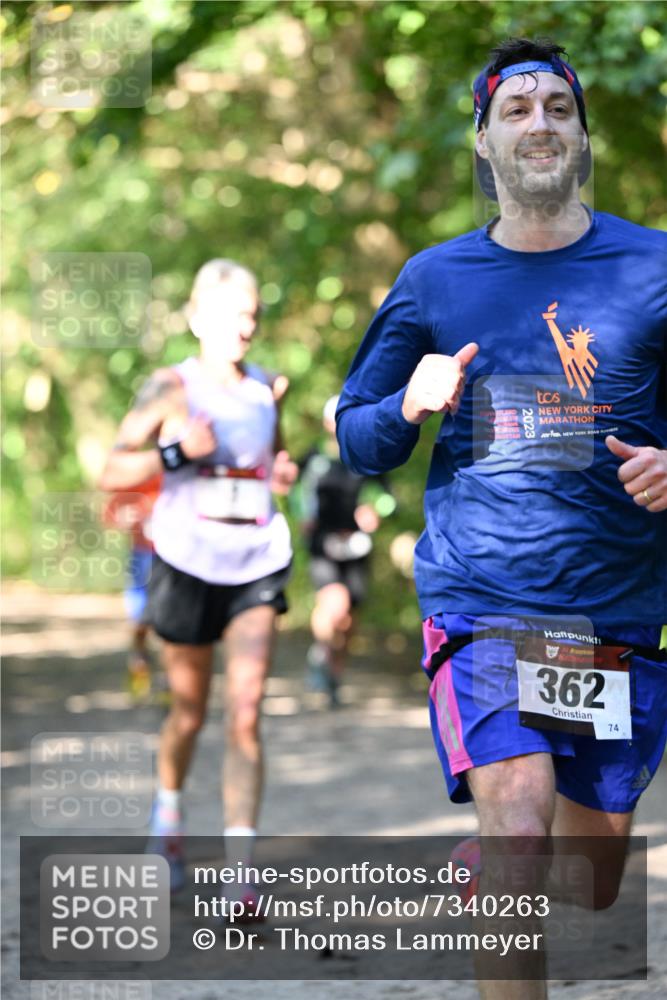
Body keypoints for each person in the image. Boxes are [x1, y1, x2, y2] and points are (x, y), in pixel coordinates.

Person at [336, 37, 667, 999]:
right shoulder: (435, 280)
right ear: (482, 142)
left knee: (591, 881)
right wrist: (409, 402)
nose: (538, 124)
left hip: (609, 613)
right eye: (515, 111)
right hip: (482, 598)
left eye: (556, 109)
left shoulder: (653, 266)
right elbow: (358, 438)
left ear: (581, 136)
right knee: (518, 833)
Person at [99, 259, 297, 912]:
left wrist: (283, 470)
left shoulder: (267, 387)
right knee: (188, 712)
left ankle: (242, 872)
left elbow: (274, 458)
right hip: (186, 560)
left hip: (256, 561)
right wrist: (176, 452)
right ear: (197, 316)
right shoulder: (169, 385)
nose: (244, 327)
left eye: (252, 316)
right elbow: (112, 470)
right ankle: (170, 822)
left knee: (244, 714)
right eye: (231, 315)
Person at [295, 395, 395, 705]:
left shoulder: (366, 457)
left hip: (355, 544)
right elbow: (293, 488)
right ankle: (321, 654)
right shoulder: (314, 458)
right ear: (327, 424)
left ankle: (335, 676)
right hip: (322, 542)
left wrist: (375, 511)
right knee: (334, 604)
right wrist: (303, 517)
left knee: (349, 618)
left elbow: (387, 498)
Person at [102, 474, 162, 698]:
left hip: (178, 558)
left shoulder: (183, 474)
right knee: (140, 621)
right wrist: (123, 518)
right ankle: (139, 665)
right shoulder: (136, 478)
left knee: (171, 623)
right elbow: (110, 514)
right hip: (143, 556)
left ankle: (171, 683)